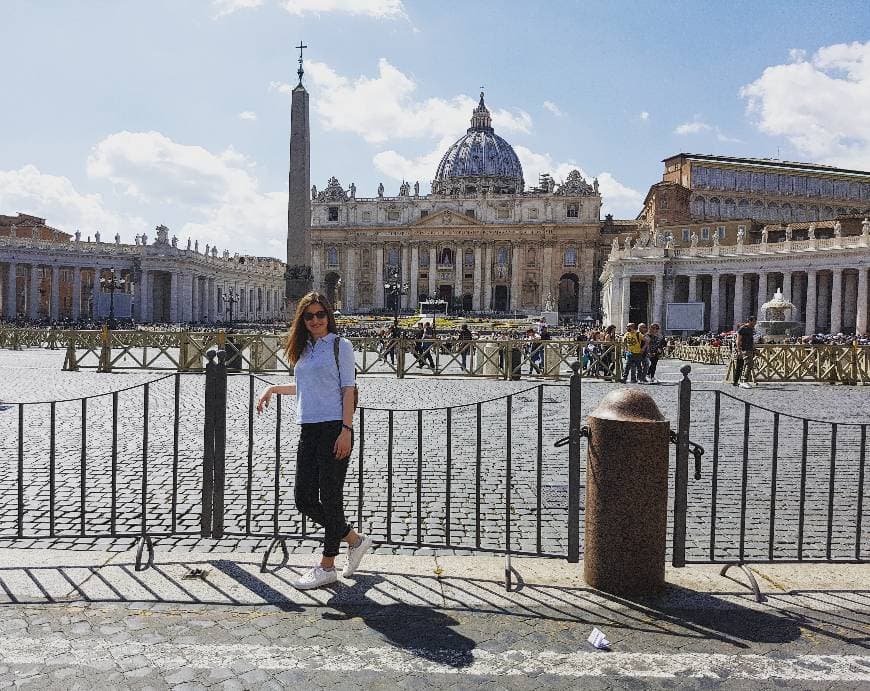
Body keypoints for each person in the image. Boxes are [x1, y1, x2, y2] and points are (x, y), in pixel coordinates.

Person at [256, 292, 371, 590]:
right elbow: (306, 385)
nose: (316, 320)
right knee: (304, 498)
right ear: (302, 320)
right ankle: (354, 540)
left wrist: (346, 429)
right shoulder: (304, 348)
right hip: (309, 428)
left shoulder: (340, 346)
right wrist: (273, 389)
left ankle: (327, 565)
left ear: (328, 316)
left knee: (331, 498)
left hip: (334, 427)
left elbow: (348, 389)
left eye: (321, 314)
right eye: (310, 316)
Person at [732, 316, 758, 389]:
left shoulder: (751, 329)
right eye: (754, 321)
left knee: (744, 365)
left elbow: (751, 340)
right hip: (744, 349)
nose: (755, 323)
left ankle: (738, 381)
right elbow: (738, 340)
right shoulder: (743, 328)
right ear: (749, 321)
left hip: (749, 349)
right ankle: (744, 381)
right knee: (749, 364)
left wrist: (754, 349)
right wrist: (739, 350)